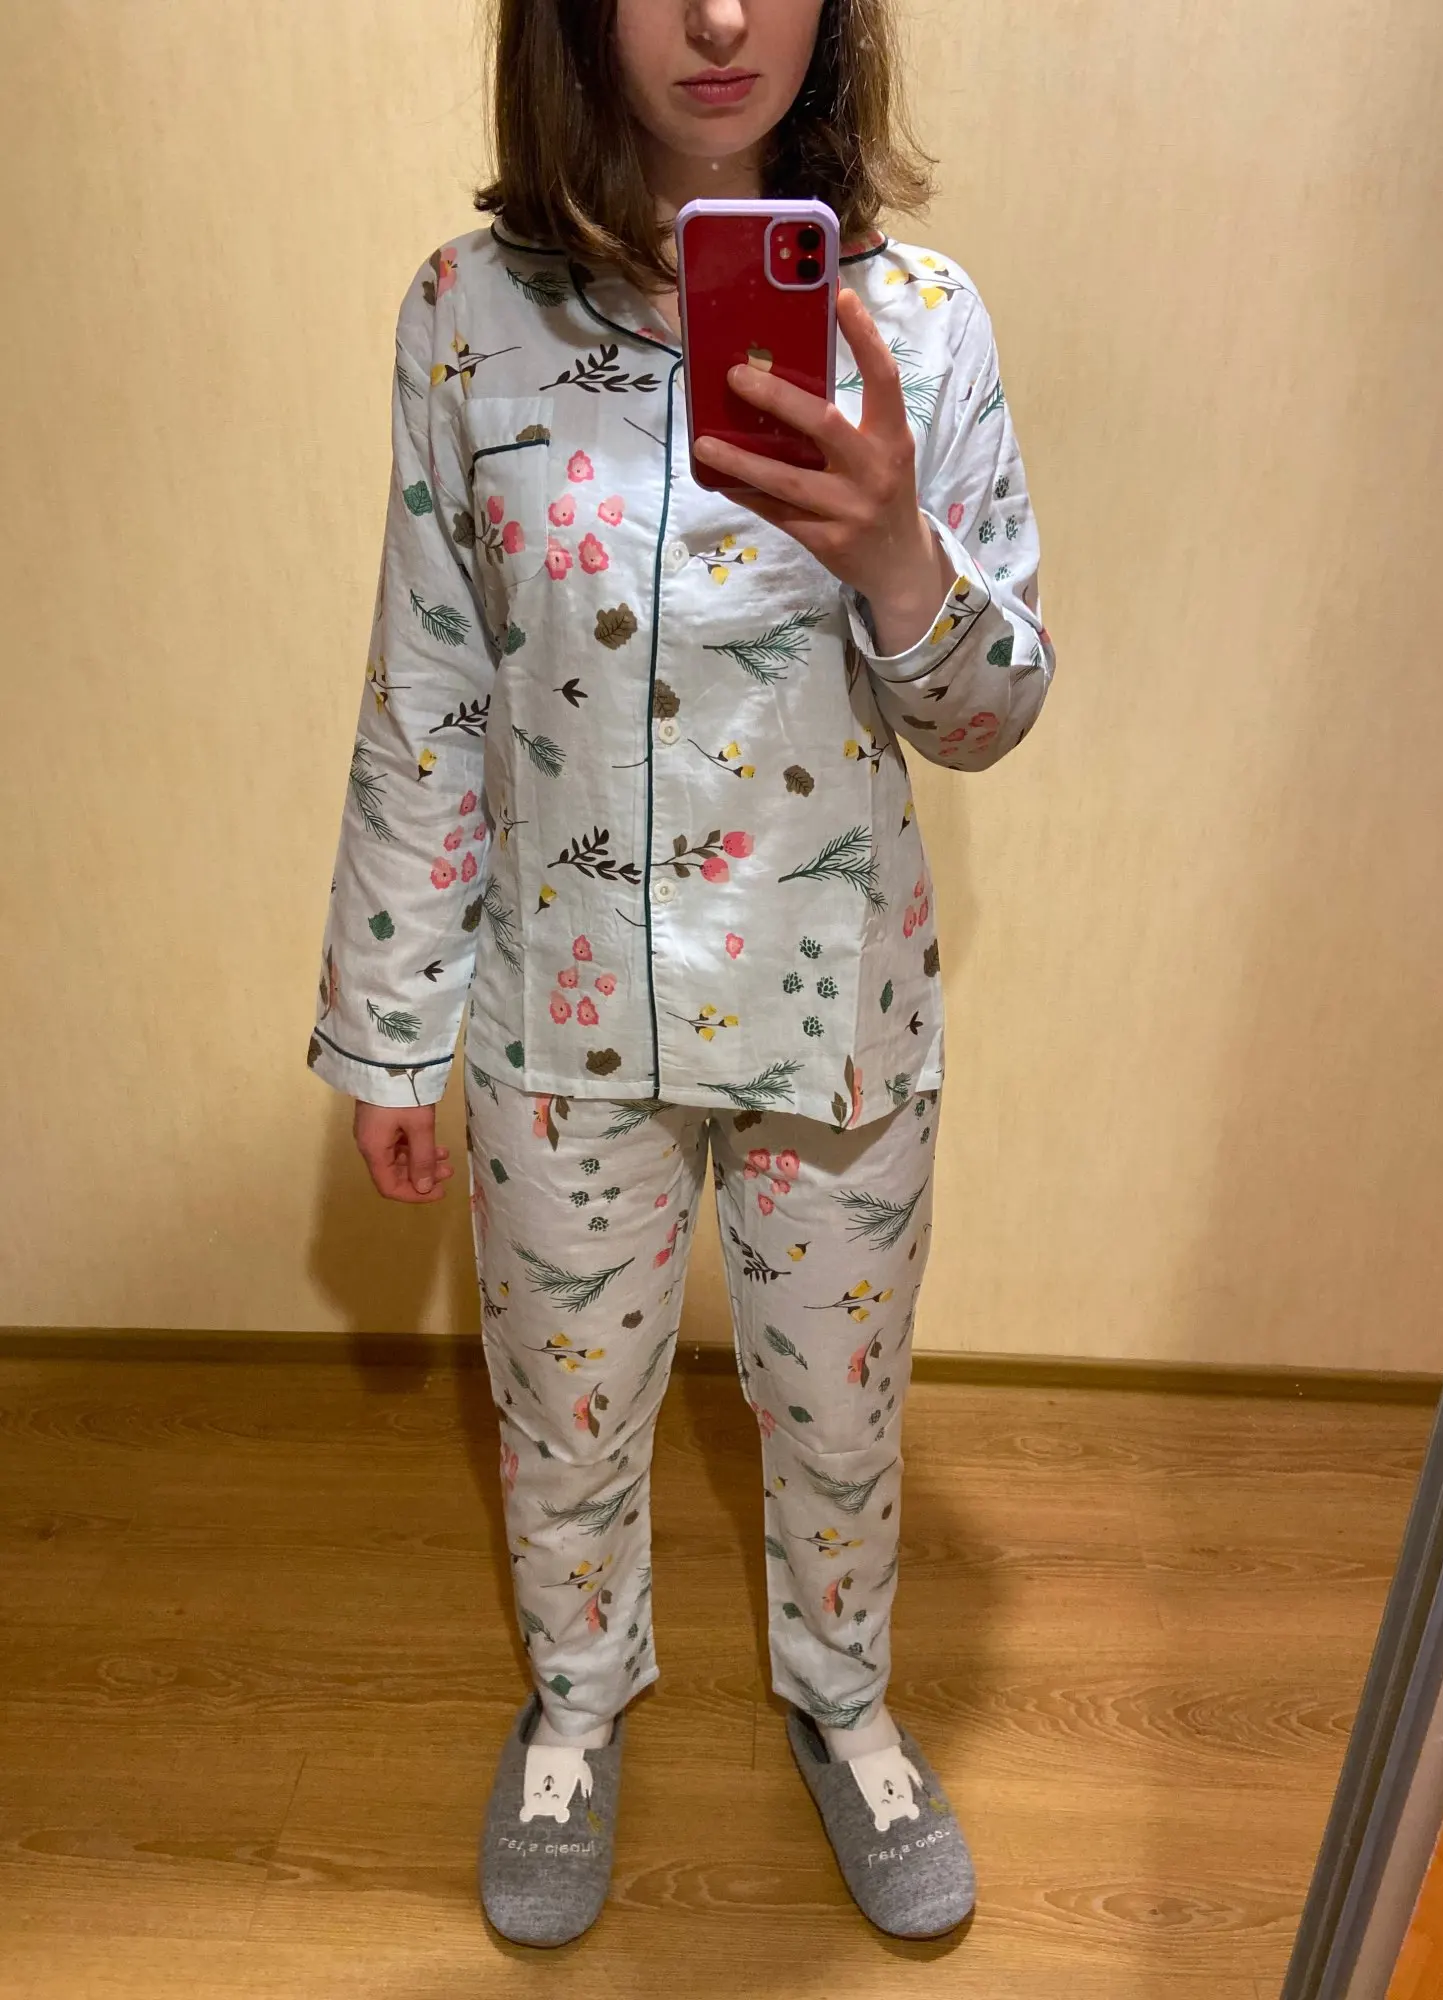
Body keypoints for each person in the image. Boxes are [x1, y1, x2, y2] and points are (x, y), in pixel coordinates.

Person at [307, 0, 1055, 1949]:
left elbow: (993, 718)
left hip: (836, 1006)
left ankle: (845, 1696)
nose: (722, 15)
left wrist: (899, 558)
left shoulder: (922, 325)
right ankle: (577, 1700)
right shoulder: (466, 315)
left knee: (840, 1416)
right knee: (564, 1411)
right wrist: (390, 1026)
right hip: (560, 1014)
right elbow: (428, 686)